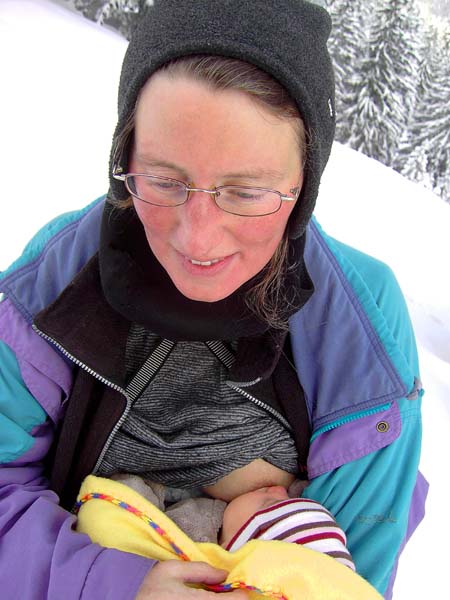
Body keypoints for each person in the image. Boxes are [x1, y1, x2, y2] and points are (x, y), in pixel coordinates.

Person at [0, 1, 427, 599]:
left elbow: (349, 578)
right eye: (164, 179)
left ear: (304, 187)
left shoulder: (362, 321)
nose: (196, 238)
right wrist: (114, 587)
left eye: (247, 192)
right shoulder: (55, 278)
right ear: (124, 159)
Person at [74, 475, 386, 600]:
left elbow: (122, 518)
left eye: (270, 503)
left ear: (244, 543)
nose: (276, 488)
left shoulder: (195, 534)